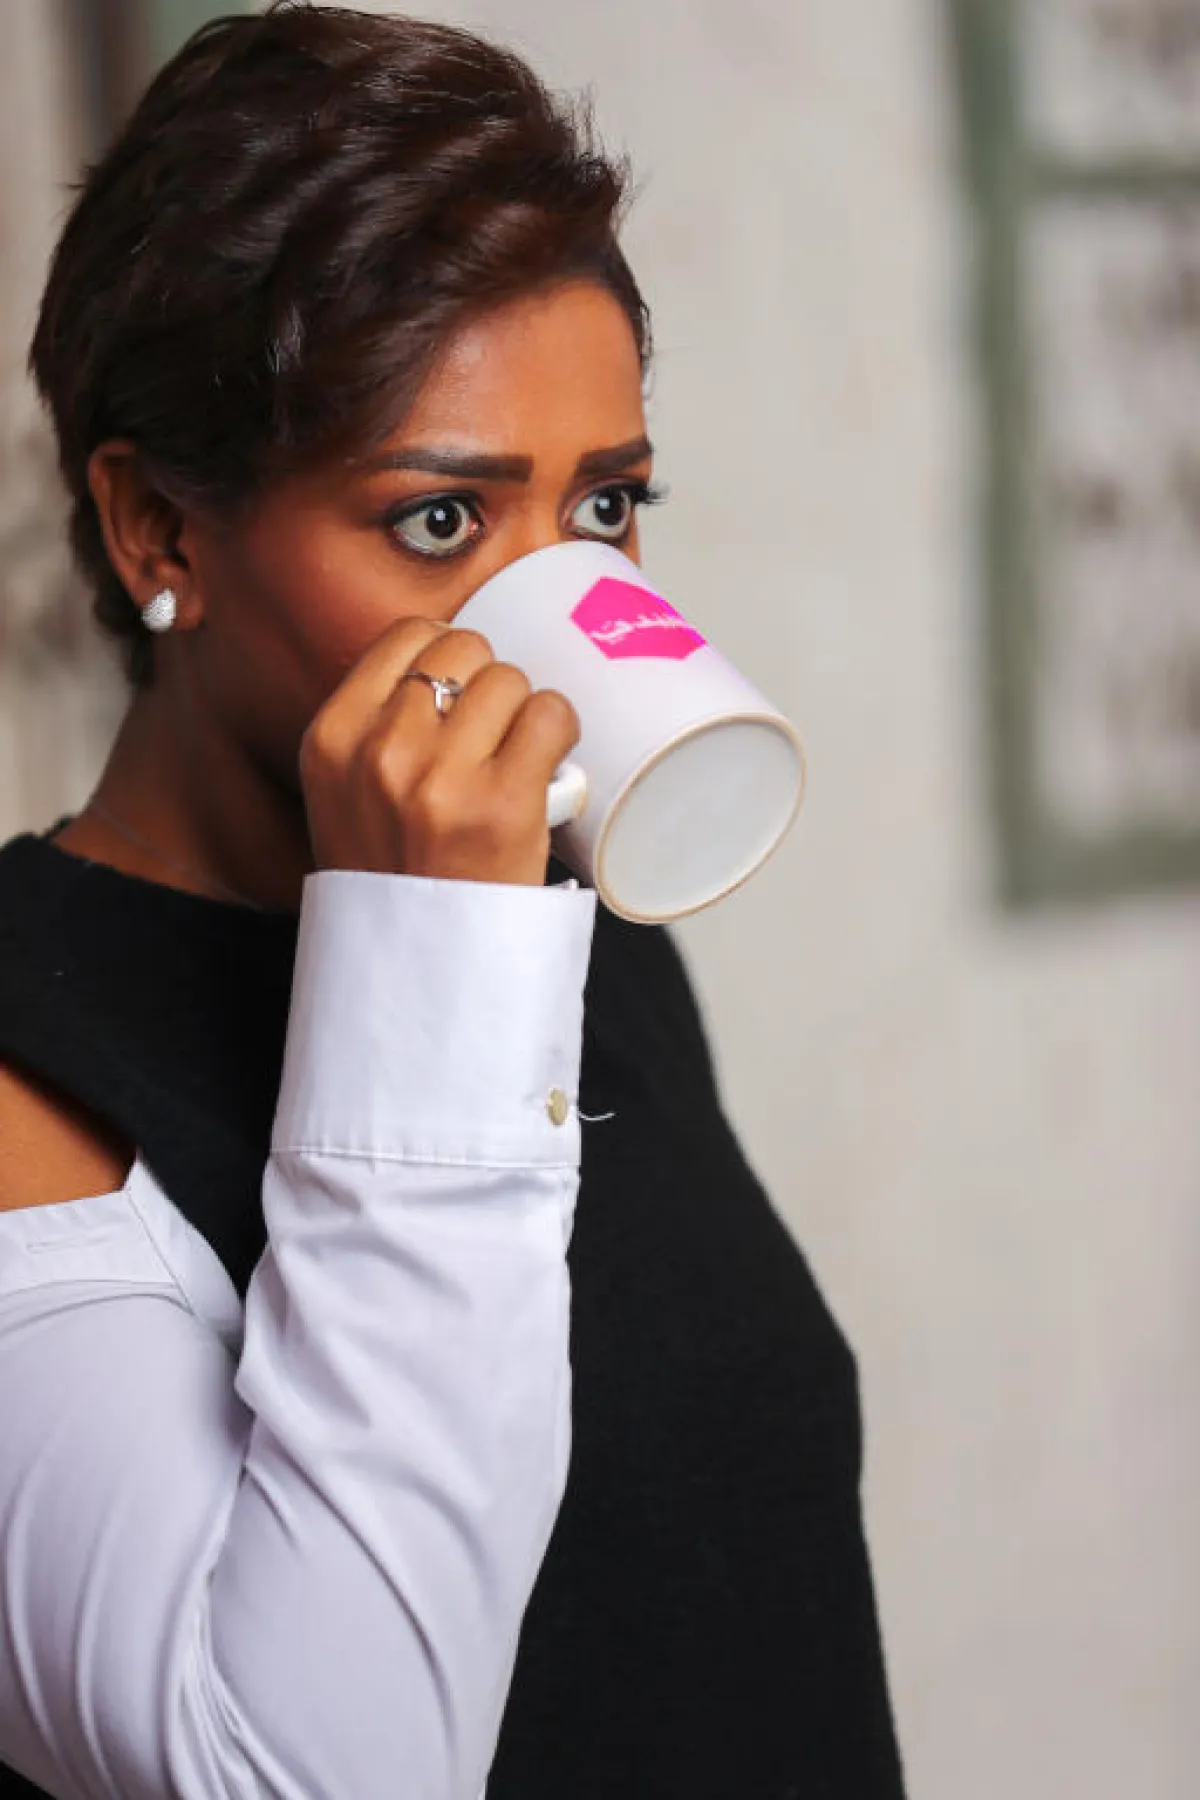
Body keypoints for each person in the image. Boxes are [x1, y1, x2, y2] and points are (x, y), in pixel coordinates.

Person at [0, 5, 907, 1796]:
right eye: (439, 522)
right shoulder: (33, 1069)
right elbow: (299, 1767)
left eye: (607, 506)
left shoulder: (586, 938)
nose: (553, 615)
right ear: (157, 530)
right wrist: (433, 957)